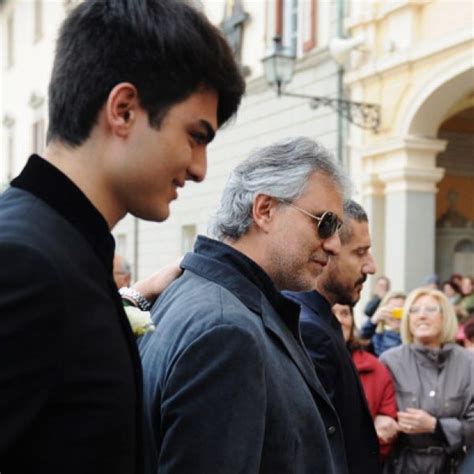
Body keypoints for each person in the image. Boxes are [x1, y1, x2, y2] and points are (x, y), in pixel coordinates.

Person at [0, 1, 245, 472]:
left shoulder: (65, 250)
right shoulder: (25, 262)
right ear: (124, 110)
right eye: (195, 136)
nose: (199, 169)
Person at [139, 137, 349, 474]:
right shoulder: (226, 330)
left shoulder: (203, 298)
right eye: (324, 223)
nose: (335, 244)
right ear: (264, 210)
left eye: (337, 228)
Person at [285, 199, 382, 474]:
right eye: (360, 253)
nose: (371, 267)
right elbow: (316, 448)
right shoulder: (309, 329)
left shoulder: (316, 319)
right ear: (328, 251)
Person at [380, 288, 474, 474]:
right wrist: (380, 420)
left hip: (453, 466)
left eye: (430, 309)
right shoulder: (389, 361)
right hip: (401, 467)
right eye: (414, 310)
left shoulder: (468, 362)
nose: (421, 315)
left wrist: (436, 426)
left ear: (445, 317)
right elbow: (372, 412)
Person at [332, 303, 398, 462]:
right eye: (330, 312)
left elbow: (387, 427)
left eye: (345, 313)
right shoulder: (298, 360)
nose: (339, 320)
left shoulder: (374, 367)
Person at [360, 291, 406, 356]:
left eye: (401, 309)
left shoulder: (412, 337)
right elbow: (360, 339)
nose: (396, 314)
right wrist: (372, 321)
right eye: (392, 309)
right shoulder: (377, 337)